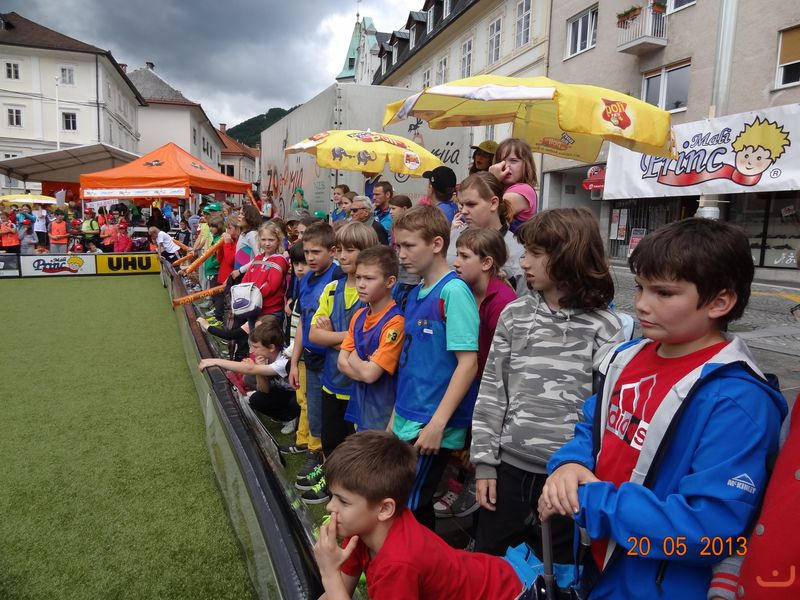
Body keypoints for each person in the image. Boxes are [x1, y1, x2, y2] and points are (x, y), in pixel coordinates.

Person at [538, 218, 786, 599]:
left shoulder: (737, 400)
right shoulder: (626, 357)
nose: (641, 304)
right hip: (600, 567)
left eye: (664, 293)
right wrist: (569, 464)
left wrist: (592, 502)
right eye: (640, 287)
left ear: (720, 302)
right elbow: (594, 427)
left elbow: (710, 530)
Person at [470, 208, 626, 561]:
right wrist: (484, 462)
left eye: (535, 253)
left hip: (565, 480)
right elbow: (492, 391)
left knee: (559, 570)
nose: (523, 262)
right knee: (489, 565)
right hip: (507, 471)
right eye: (525, 252)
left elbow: (605, 411)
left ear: (569, 256)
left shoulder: (606, 327)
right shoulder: (514, 315)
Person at [313, 430, 527, 600]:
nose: (330, 507)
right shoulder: (362, 529)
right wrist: (333, 578)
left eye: (343, 501)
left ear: (385, 509)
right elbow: (338, 592)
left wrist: (330, 574)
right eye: (333, 496)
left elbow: (336, 587)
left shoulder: (397, 564)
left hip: (504, 593)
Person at [392, 205, 479, 529]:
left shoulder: (454, 291)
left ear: (437, 244)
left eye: (409, 245)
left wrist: (438, 423)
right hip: (408, 415)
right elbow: (413, 362)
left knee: (409, 505)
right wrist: (395, 417)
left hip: (431, 422)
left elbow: (467, 364)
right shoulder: (415, 292)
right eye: (398, 246)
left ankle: (417, 560)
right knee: (405, 502)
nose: (401, 254)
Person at [302, 222, 379, 504]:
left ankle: (349, 490)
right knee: (330, 439)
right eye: (340, 249)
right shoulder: (332, 288)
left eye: (351, 250)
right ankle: (330, 478)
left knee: (355, 446)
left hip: (360, 388)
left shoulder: (374, 294)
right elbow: (313, 334)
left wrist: (332, 337)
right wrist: (348, 339)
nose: (343, 256)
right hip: (332, 382)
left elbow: (370, 340)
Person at [288, 222, 340, 488]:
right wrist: (294, 361)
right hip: (310, 357)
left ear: (332, 251)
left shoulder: (337, 277)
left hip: (332, 358)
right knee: (315, 409)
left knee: (330, 416)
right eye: (307, 252)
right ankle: (316, 454)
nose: (309, 258)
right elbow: (302, 323)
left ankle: (328, 461)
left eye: (316, 252)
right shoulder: (305, 278)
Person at [338, 245, 404, 433]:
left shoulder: (395, 322)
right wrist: (362, 366)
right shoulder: (359, 315)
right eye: (358, 277)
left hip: (382, 412)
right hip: (361, 406)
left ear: (390, 281)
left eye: (369, 278)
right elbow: (341, 363)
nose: (360, 284)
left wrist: (353, 358)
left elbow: (370, 375)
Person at [199, 318, 300, 425]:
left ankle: (297, 418)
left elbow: (249, 369)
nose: (251, 350)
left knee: (295, 402)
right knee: (256, 399)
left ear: (271, 347)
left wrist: (215, 361)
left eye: (255, 347)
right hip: (285, 391)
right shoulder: (266, 356)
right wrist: (259, 369)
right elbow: (265, 390)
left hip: (298, 393)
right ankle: (287, 418)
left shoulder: (283, 360)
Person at [453, 227, 517, 379]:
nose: (456, 263)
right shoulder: (463, 290)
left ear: (486, 263)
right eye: (457, 255)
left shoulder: (502, 302)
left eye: (464, 256)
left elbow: (503, 360)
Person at [450, 171, 526, 296]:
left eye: (471, 204)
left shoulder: (517, 251)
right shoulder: (452, 236)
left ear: (493, 203)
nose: (463, 211)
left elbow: (523, 301)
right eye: (461, 204)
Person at [238, 221, 289, 331]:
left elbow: (271, 286)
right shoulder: (258, 258)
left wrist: (251, 296)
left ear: (278, 240)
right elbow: (245, 279)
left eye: (271, 240)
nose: (267, 243)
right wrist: (245, 292)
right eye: (263, 240)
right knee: (253, 338)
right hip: (253, 309)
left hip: (270, 311)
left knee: (264, 339)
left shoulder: (279, 260)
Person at [488, 138, 538, 229]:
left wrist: (492, 179)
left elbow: (486, 214)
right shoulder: (502, 189)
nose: (506, 166)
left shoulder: (523, 189)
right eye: (501, 161)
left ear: (526, 165)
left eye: (513, 161)